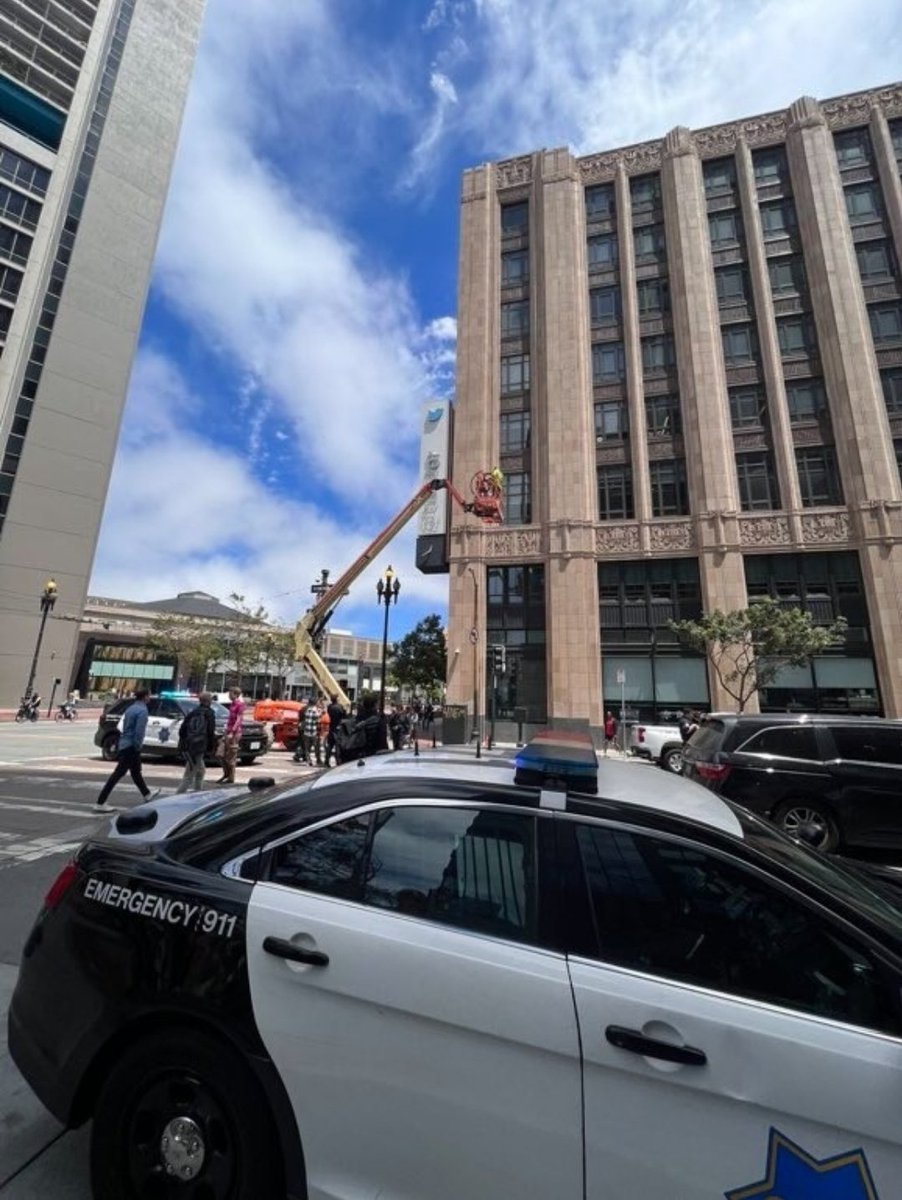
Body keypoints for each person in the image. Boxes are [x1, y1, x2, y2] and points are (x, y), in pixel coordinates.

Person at [93, 687, 160, 812]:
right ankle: (100, 802)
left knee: (136, 772)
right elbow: (139, 731)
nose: (149, 698)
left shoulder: (131, 708)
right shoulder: (142, 711)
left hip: (125, 742)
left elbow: (124, 725)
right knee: (118, 774)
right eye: (149, 695)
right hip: (131, 746)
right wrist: (138, 745)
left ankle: (147, 794)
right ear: (145, 696)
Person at [176, 692, 217, 794]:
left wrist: (185, 742)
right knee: (189, 775)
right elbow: (210, 731)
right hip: (200, 746)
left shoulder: (193, 712)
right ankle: (178, 796)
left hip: (190, 746)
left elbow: (182, 730)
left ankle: (198, 792)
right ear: (208, 701)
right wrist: (211, 747)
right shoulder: (209, 713)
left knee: (201, 771)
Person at [334, 694, 388, 763]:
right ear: (375, 705)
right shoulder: (378, 721)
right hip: (371, 758)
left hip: (353, 758)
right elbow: (383, 744)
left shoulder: (353, 721)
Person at [216, 687, 245, 784]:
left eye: (231, 693)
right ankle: (226, 773)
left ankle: (230, 777)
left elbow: (239, 719)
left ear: (236, 694)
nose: (229, 695)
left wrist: (233, 731)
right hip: (227, 731)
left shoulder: (240, 704)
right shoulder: (232, 704)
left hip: (234, 733)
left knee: (231, 755)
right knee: (220, 753)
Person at [295, 699, 322, 766]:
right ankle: (318, 760)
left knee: (306, 747)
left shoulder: (305, 710)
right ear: (315, 703)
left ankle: (307, 760)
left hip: (306, 731)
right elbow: (318, 720)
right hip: (313, 731)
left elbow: (301, 718)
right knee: (316, 747)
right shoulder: (316, 711)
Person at [326, 694, 345, 765]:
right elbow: (343, 715)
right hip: (338, 728)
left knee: (330, 745)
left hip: (331, 727)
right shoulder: (340, 707)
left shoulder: (329, 707)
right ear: (336, 699)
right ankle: (338, 761)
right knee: (337, 746)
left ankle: (326, 760)